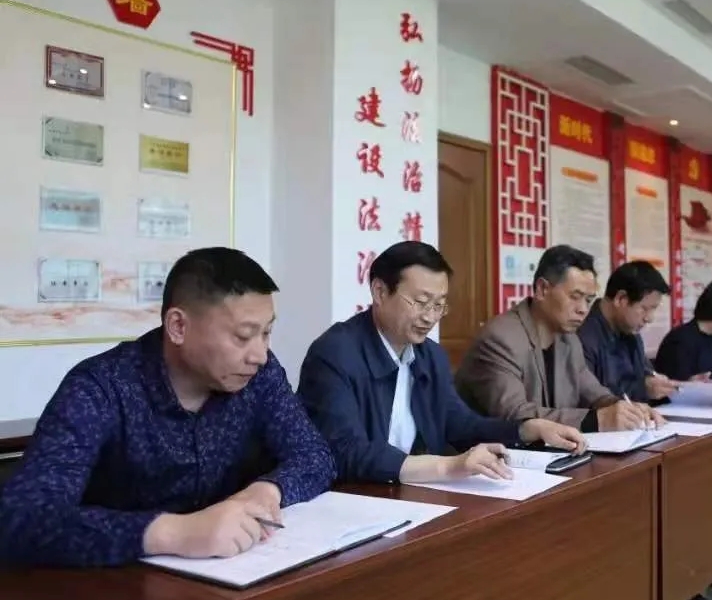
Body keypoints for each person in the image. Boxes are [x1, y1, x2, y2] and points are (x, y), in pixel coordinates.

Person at [0, 248, 336, 568]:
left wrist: (267, 491)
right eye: (243, 336)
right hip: (111, 586)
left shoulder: (260, 375)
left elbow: (315, 455)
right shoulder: (100, 389)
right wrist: (174, 533)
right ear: (178, 326)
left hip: (227, 575)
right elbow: (20, 519)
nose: (259, 355)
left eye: (266, 333)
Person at [297, 242, 585, 484]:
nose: (430, 317)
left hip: (413, 496)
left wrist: (526, 429)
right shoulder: (334, 353)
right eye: (421, 302)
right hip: (354, 497)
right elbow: (345, 451)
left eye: (439, 305)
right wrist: (448, 467)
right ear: (380, 292)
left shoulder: (430, 355)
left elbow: (459, 425)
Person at [456, 245, 663, 431]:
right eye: (575, 297)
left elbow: (595, 394)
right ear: (542, 289)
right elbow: (515, 415)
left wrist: (627, 409)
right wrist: (596, 420)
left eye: (588, 300)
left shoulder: (569, 340)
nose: (583, 309)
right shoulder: (501, 338)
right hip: (490, 455)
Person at [576, 260, 679, 403]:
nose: (649, 318)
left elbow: (645, 374)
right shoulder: (583, 336)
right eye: (644, 308)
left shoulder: (630, 330)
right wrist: (643, 389)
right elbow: (589, 398)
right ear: (621, 299)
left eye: (654, 309)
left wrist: (657, 384)